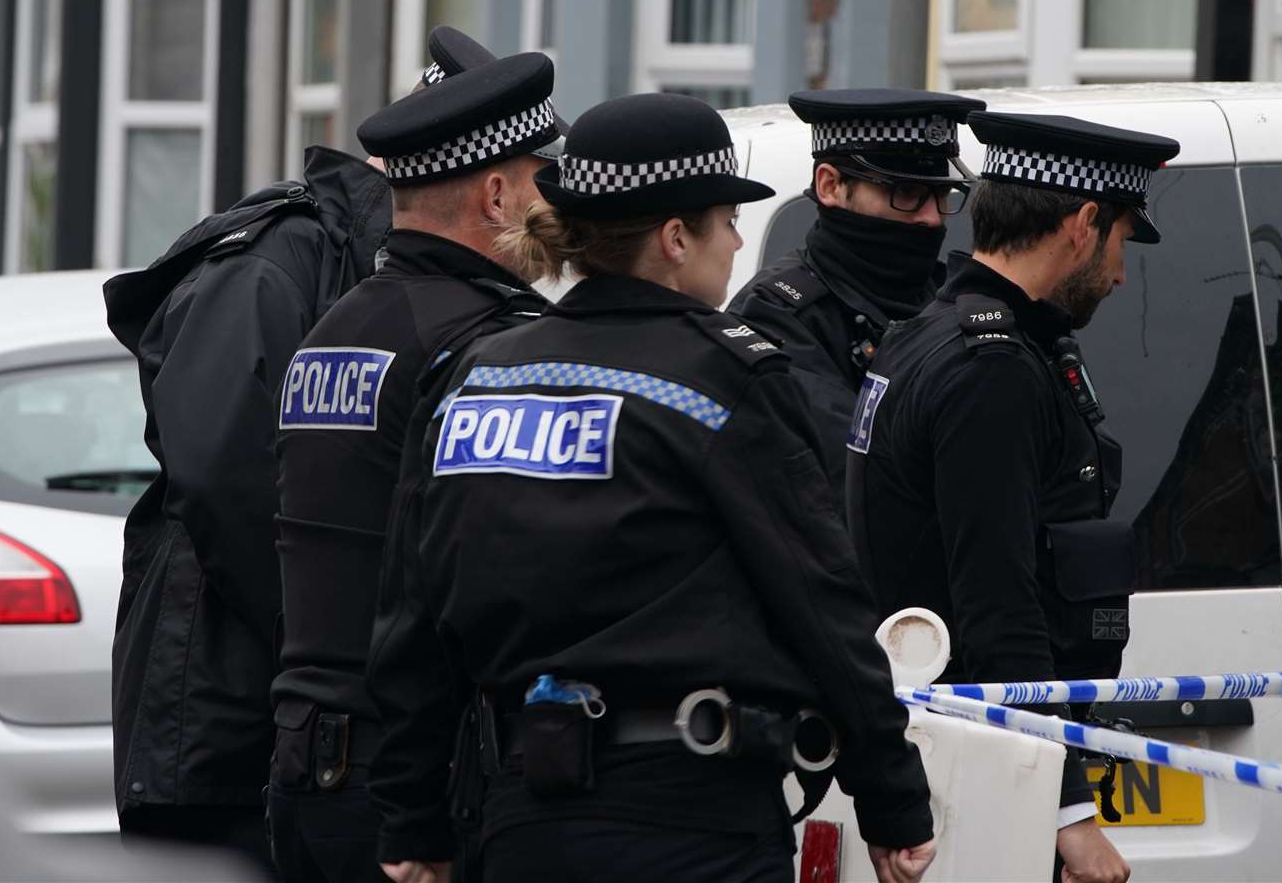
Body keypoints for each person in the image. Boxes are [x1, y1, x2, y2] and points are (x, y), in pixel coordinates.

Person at [372, 93, 937, 883]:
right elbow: (820, 601)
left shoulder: (477, 378)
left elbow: (411, 616)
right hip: (692, 823)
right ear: (676, 238)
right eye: (726, 221)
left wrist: (411, 819)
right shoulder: (723, 379)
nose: (740, 241)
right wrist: (892, 800)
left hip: (518, 820)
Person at [846, 110, 1177, 883]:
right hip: (979, 773)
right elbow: (999, 604)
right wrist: (1067, 814)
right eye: (1123, 239)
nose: (1122, 271)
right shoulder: (990, 369)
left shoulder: (935, 332)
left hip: (951, 750)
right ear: (1084, 223)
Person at [267, 45, 564, 883]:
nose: (558, 203)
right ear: (498, 194)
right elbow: (489, 578)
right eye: (543, 179)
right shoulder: (487, 348)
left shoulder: (334, 330)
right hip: (420, 785)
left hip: (309, 766)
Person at [103, 142, 392, 872]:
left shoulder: (352, 258)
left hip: (259, 707)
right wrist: (320, 636)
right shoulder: (278, 256)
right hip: (214, 710)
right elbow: (224, 477)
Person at [728, 89, 983, 490]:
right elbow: (864, 482)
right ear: (830, 185)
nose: (931, 218)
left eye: (941, 196)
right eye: (907, 194)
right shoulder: (775, 316)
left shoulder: (954, 299)